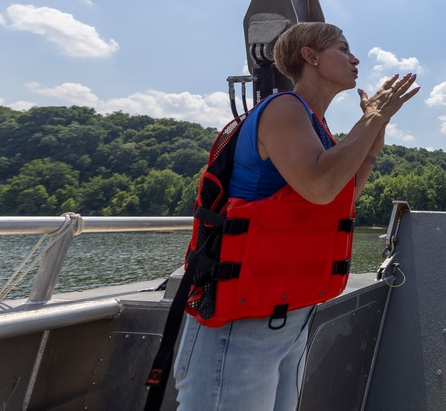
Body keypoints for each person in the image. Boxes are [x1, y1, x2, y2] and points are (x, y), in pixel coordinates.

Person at [173, 22, 419, 411]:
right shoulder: (284, 108)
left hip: (287, 316)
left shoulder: (315, 125)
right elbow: (320, 186)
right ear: (310, 56)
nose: (355, 59)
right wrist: (371, 119)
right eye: (343, 49)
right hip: (239, 325)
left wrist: (373, 136)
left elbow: (341, 195)